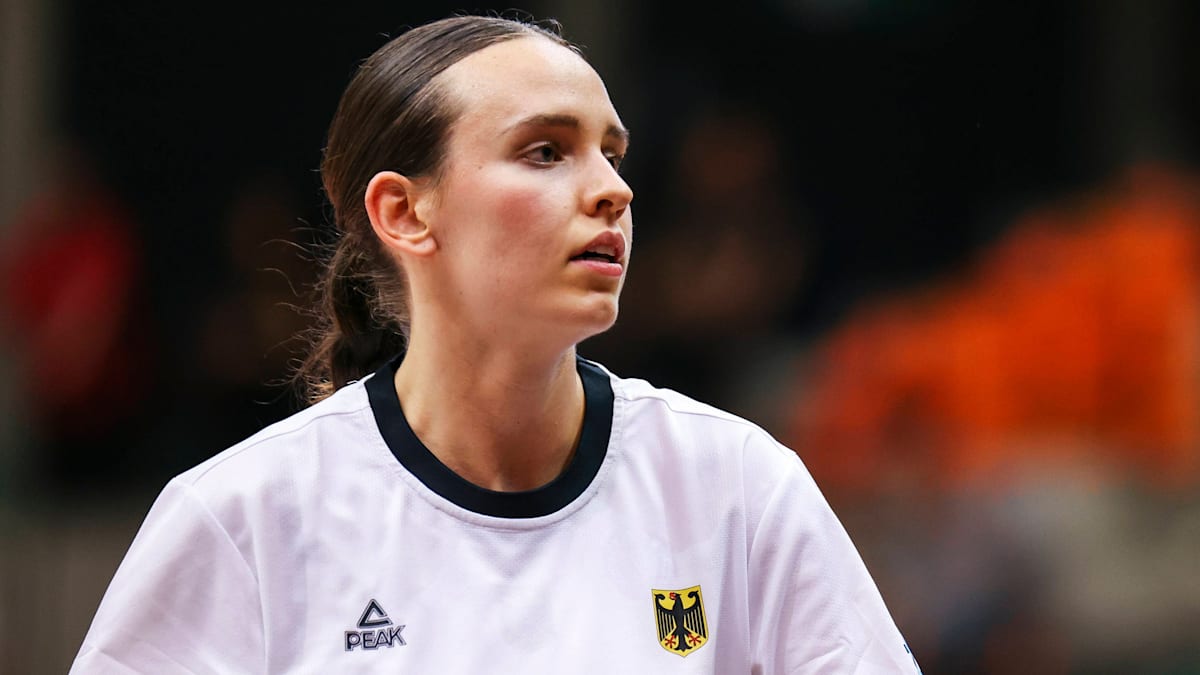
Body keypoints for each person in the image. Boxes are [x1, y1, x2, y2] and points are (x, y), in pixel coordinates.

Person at [71, 15, 919, 673]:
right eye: (546, 151)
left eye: (612, 154)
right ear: (406, 212)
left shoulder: (739, 487)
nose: (613, 190)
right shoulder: (242, 517)